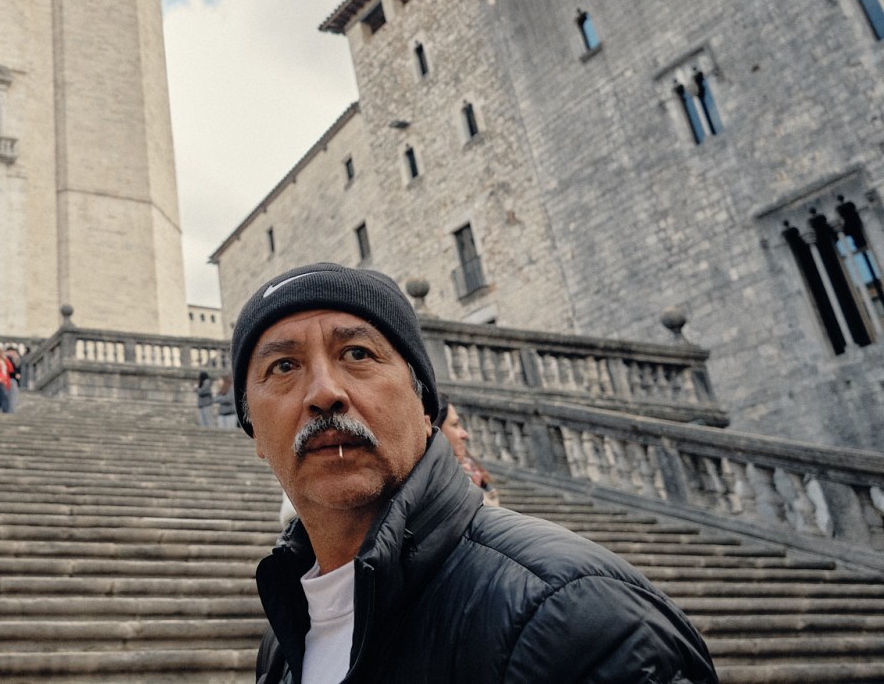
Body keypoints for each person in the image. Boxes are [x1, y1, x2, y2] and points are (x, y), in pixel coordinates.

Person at [231, 263, 717, 684]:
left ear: (426, 409)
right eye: (284, 365)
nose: (323, 392)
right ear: (253, 431)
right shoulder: (284, 640)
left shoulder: (572, 614)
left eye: (357, 354)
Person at [436, 393, 501, 508]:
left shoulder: (471, 472)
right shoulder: (439, 487)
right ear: (435, 429)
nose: (465, 434)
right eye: (455, 425)